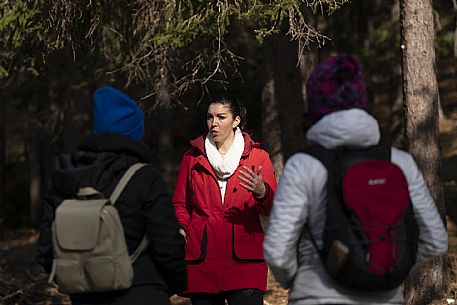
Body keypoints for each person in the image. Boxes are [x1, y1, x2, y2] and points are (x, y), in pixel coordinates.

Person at [263, 55, 448, 305]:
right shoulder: (399, 162)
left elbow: (276, 250)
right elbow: (436, 240)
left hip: (316, 297)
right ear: (362, 99)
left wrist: (299, 279)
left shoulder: (303, 165)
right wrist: (391, 265)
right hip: (386, 298)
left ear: (316, 104)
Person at [36, 85, 187, 305]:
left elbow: (46, 250)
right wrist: (176, 284)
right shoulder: (145, 178)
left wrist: (80, 281)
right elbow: (168, 246)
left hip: (85, 297)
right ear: (135, 132)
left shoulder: (65, 177)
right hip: (143, 292)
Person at [172, 95, 277, 305]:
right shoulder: (192, 158)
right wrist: (182, 227)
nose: (214, 123)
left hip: (245, 261)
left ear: (236, 121)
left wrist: (261, 191)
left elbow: (274, 209)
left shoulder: (259, 157)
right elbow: (180, 203)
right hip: (202, 260)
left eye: (221, 117)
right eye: (210, 117)